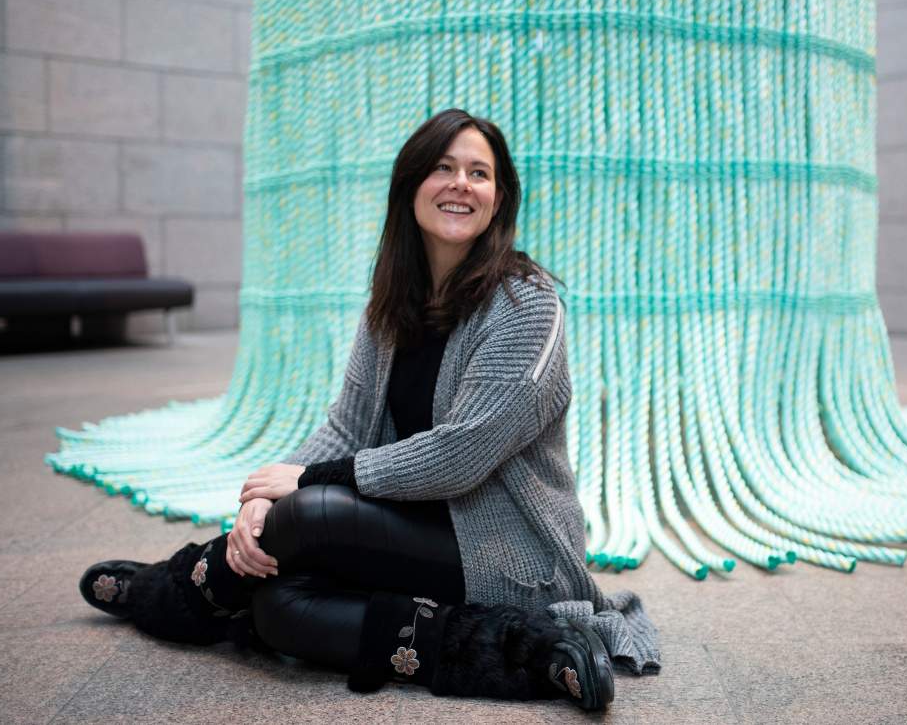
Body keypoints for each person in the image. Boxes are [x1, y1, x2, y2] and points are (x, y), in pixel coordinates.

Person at [78, 108, 660, 711]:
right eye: (443, 167)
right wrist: (258, 501)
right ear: (411, 187)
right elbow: (346, 427)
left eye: (479, 173)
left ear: (498, 198)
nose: (461, 183)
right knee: (281, 608)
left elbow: (461, 453)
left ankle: (180, 594)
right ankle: (523, 650)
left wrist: (301, 483)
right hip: (418, 529)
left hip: (510, 552)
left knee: (311, 513)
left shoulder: (526, 304)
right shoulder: (391, 303)